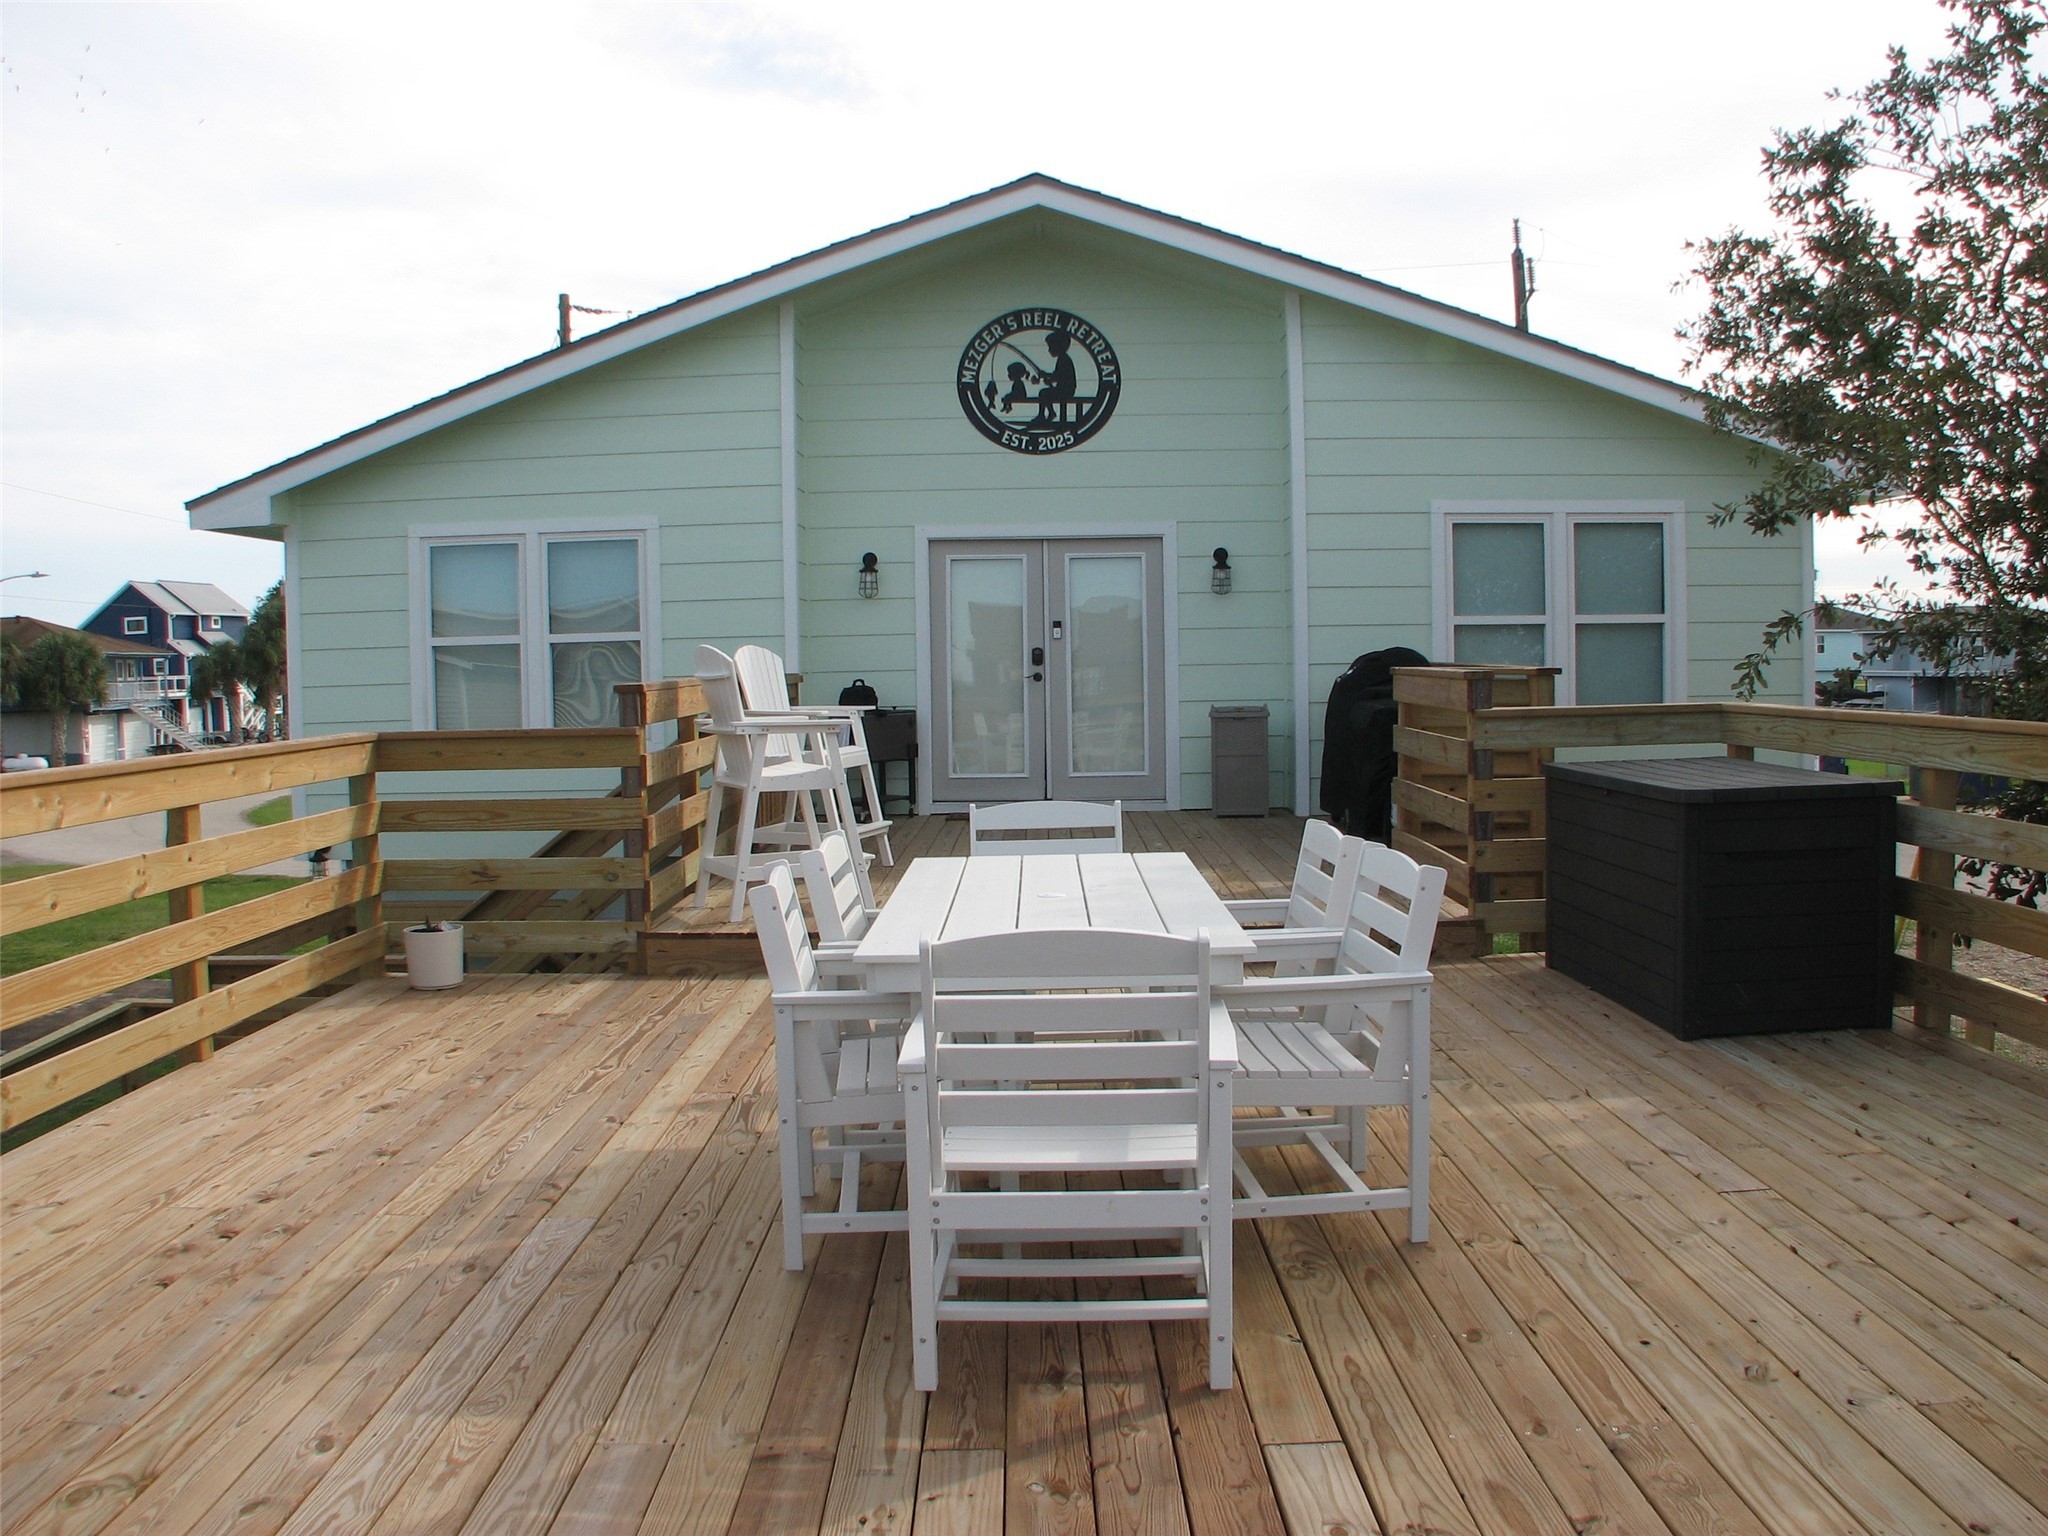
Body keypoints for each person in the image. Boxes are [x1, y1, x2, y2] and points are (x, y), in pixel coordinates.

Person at [1032, 331, 1077, 422]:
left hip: (1066, 390)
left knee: (1043, 393)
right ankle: (1046, 414)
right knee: (1045, 393)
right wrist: (1049, 378)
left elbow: (1059, 376)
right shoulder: (1063, 358)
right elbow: (1058, 375)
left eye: (1051, 347)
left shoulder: (1064, 359)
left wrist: (1047, 376)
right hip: (1063, 388)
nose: (1049, 350)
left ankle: (1045, 414)